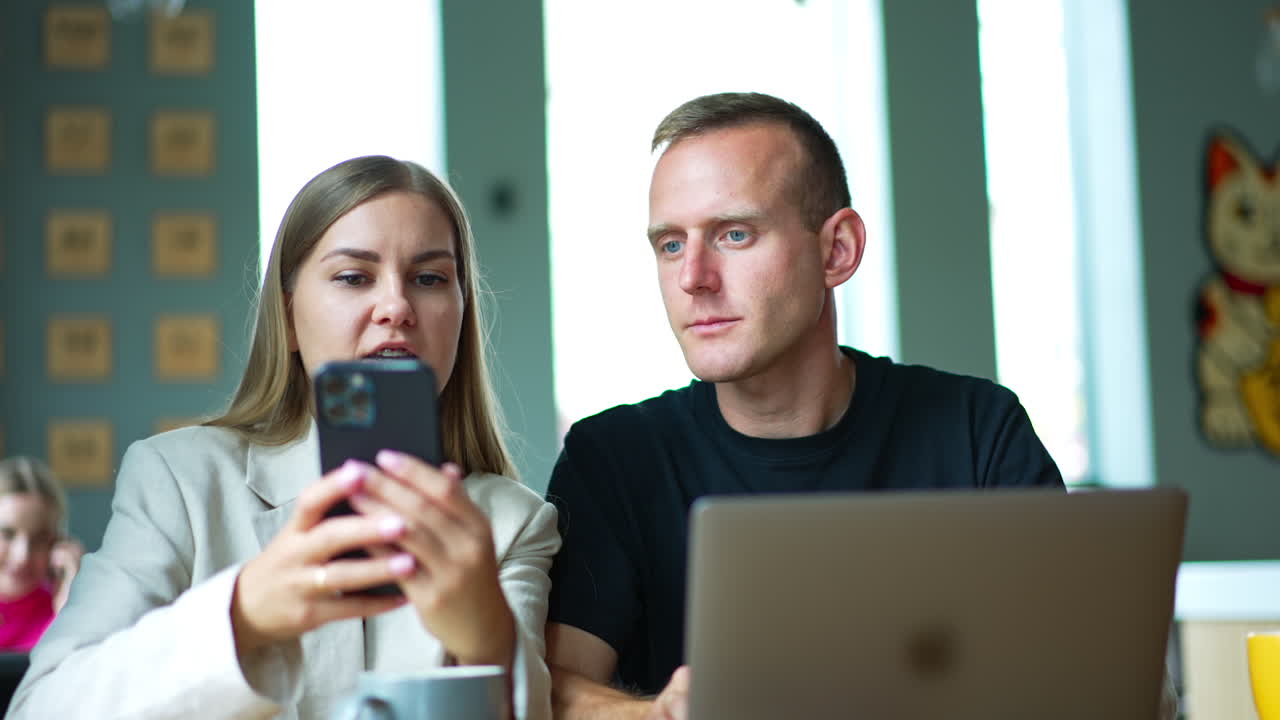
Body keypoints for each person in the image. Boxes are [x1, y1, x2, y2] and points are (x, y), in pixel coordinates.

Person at [542, 92, 1068, 720]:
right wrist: (654, 715)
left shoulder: (978, 429)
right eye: (671, 245)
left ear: (837, 250)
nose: (694, 278)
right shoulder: (614, 458)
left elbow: (1080, 669)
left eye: (734, 234)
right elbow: (554, 685)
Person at [8, 156, 561, 720]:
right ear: (289, 315)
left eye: (429, 278)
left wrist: (490, 641)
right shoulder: (177, 480)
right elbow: (40, 709)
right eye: (353, 276)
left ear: (462, 313)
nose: (396, 307)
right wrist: (244, 613)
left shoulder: (514, 523)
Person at [0, 457, 83, 653]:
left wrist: (72, 598)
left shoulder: (63, 615)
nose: (22, 556)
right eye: (7, 534)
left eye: (40, 538)